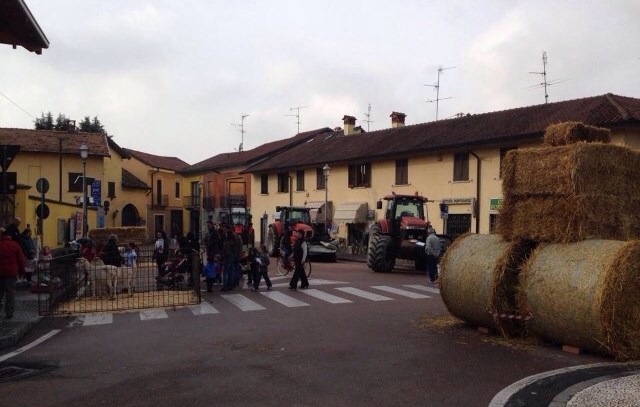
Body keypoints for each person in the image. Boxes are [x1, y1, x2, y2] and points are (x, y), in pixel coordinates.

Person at [0, 229, 26, 319]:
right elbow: (21, 260)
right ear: (9, 237)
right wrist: (22, 272)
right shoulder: (15, 245)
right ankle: (9, 313)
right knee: (10, 293)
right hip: (11, 273)